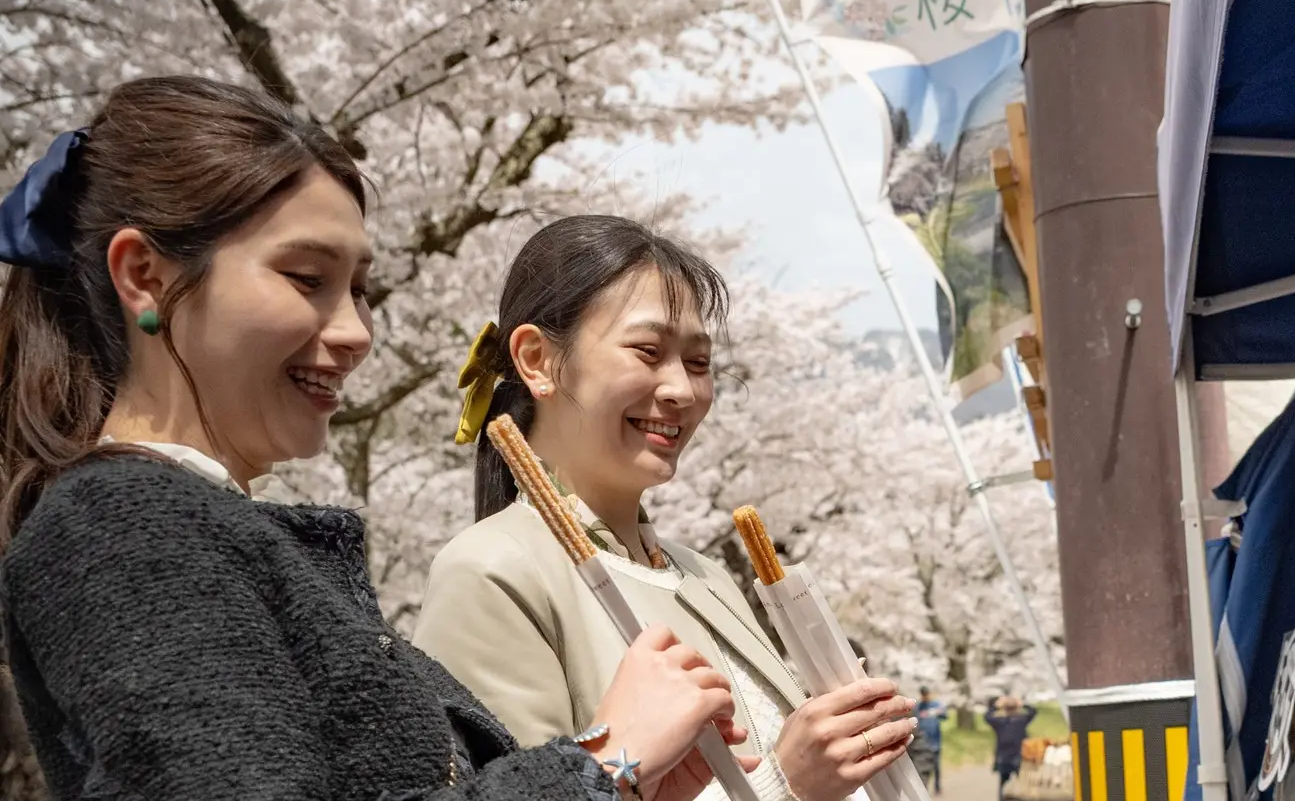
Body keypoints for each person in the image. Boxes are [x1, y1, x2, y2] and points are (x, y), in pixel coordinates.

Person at [0, 77, 750, 801]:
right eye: (305, 278)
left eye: (358, 289)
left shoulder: (191, 525)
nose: (356, 332)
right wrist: (605, 761)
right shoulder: (123, 524)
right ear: (146, 276)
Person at [413, 215, 917, 801]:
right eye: (648, 351)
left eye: (699, 363)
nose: (681, 389)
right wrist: (787, 781)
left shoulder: (708, 576)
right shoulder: (491, 571)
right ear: (537, 359)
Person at [985, 696, 1037, 801]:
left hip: (1004, 756)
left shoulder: (999, 721)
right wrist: (1023, 703)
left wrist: (996, 706)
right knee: (1022, 780)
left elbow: (987, 716)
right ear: (1017, 708)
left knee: (1003, 782)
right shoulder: (1021, 720)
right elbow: (1033, 711)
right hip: (1019, 754)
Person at [909, 687, 946, 794]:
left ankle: (937, 786)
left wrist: (938, 712)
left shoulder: (936, 705)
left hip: (935, 741)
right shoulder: (919, 706)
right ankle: (925, 788)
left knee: (936, 766)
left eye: (926, 694)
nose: (925, 696)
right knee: (924, 767)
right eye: (923, 694)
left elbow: (944, 715)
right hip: (923, 742)